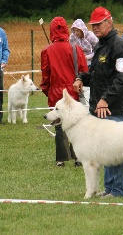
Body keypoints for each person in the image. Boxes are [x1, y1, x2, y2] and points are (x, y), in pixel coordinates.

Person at [73, 7, 123, 198]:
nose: (95, 27)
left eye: (99, 24)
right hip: (99, 108)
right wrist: (82, 77)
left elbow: (122, 78)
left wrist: (105, 99)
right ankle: (109, 188)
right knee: (105, 151)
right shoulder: (101, 45)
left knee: (116, 150)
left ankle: (118, 190)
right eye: (94, 25)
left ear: (110, 22)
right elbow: (96, 75)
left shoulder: (119, 45)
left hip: (112, 107)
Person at [40, 16, 88, 167]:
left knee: (59, 124)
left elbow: (45, 75)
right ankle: (78, 157)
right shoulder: (76, 49)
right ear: (66, 30)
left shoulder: (46, 51)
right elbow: (83, 70)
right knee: (76, 125)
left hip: (55, 91)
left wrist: (46, 90)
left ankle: (61, 159)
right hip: (73, 90)